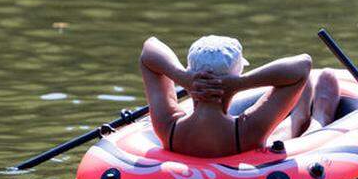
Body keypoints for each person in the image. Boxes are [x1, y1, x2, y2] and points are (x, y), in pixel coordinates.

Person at [138, 35, 340, 157]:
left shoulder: (167, 127)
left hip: (183, 140)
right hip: (239, 150)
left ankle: (299, 117)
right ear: (237, 75)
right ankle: (317, 118)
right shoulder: (247, 132)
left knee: (275, 135)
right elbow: (303, 64)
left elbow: (149, 48)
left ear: (191, 70)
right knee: (283, 135)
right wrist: (240, 84)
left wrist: (182, 78)